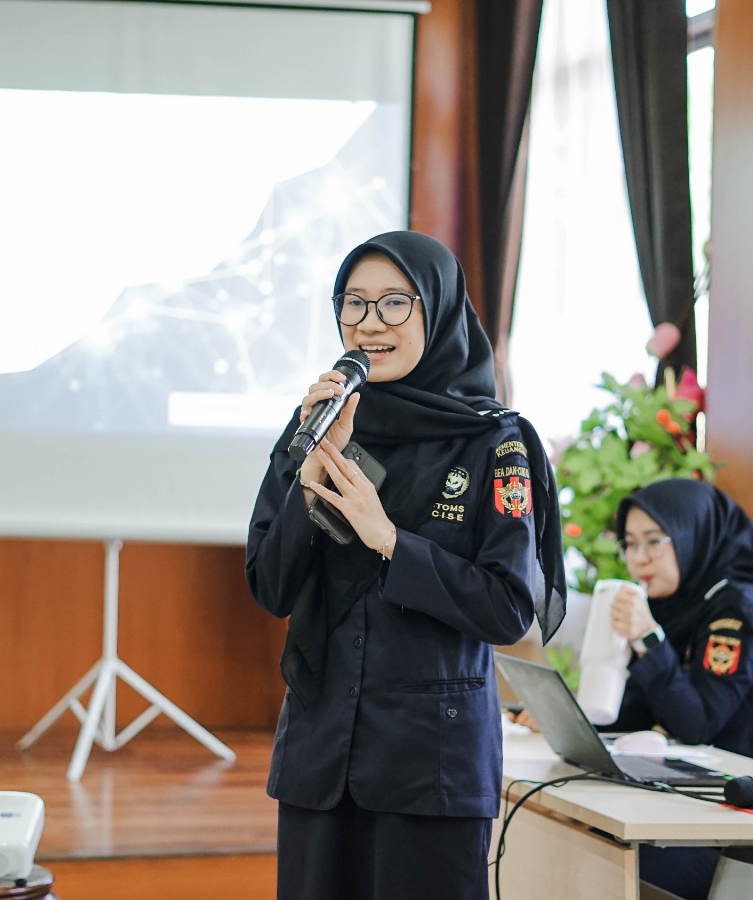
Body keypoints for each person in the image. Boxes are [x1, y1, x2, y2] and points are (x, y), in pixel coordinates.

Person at [245, 230, 567, 900]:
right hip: (319, 759)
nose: (370, 324)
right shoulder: (317, 423)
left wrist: (391, 540)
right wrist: (310, 483)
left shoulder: (494, 442)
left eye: (396, 304)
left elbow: (509, 609)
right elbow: (269, 588)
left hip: (431, 773)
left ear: (439, 309)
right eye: (354, 304)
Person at [599, 477, 753, 897]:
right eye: (630, 544)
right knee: (594, 840)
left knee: (629, 865)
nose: (639, 559)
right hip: (727, 799)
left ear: (694, 536)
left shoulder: (740, 609)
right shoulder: (679, 605)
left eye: (654, 542)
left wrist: (649, 639)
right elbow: (636, 710)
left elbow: (697, 723)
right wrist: (570, 718)